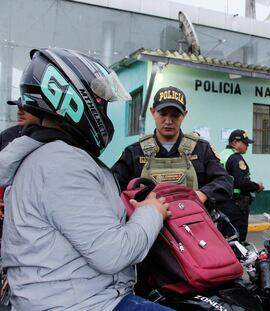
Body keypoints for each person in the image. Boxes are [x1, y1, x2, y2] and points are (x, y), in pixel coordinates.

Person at [0, 48, 174, 311]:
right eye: (100, 100)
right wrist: (151, 212)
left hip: (66, 295)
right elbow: (113, 253)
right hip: (83, 302)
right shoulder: (61, 163)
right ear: (71, 98)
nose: (105, 109)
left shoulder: (49, 155)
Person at [111, 86, 233, 210]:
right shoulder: (134, 152)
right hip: (148, 225)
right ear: (153, 112)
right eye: (163, 114)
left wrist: (203, 194)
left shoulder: (201, 149)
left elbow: (224, 181)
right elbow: (111, 187)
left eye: (175, 115)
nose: (168, 121)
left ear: (184, 114)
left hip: (191, 224)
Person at [219, 129, 264, 242]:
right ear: (235, 142)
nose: (247, 146)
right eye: (245, 143)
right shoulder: (236, 158)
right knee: (237, 240)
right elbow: (241, 183)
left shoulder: (221, 155)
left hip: (223, 203)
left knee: (223, 239)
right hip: (236, 205)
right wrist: (257, 186)